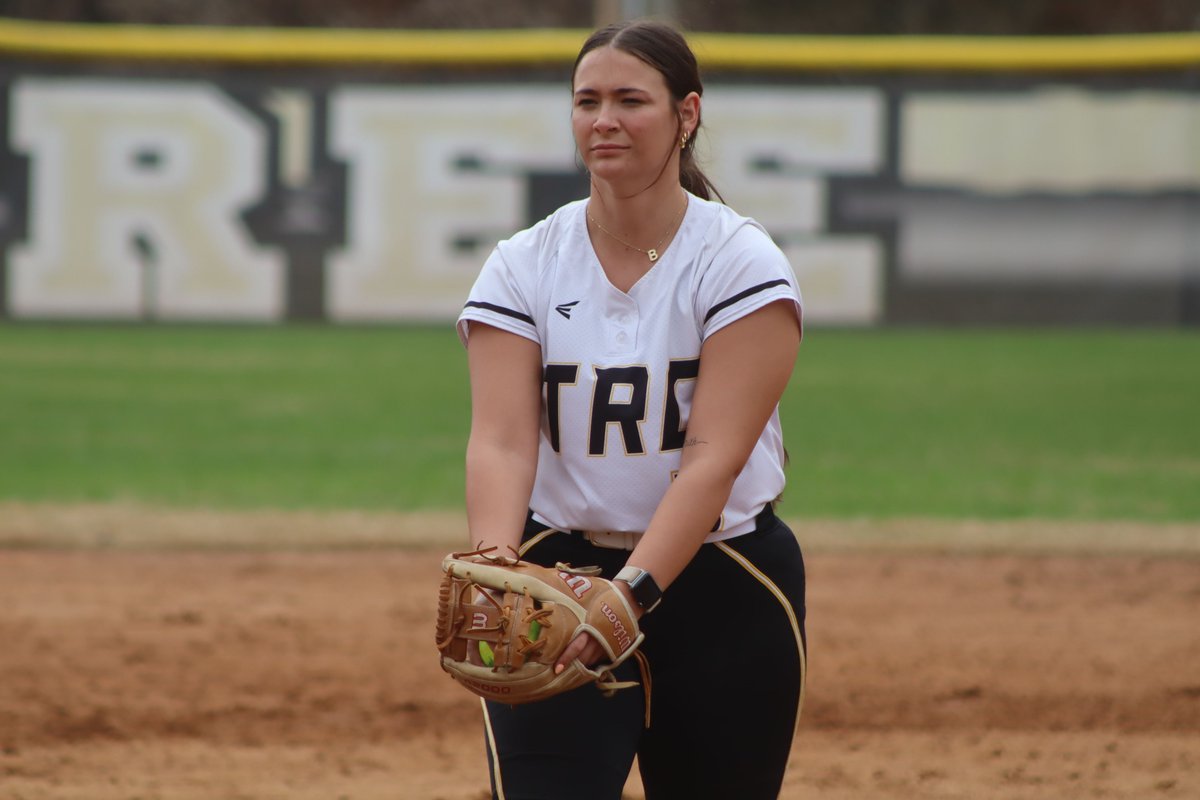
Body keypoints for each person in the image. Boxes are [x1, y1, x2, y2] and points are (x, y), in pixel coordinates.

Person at [455, 18, 806, 800]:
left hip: (724, 586)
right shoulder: (524, 263)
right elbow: (504, 442)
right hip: (558, 582)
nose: (603, 119)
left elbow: (713, 459)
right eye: (587, 100)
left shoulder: (737, 261)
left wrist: (635, 592)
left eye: (629, 100)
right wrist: (496, 563)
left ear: (687, 115)